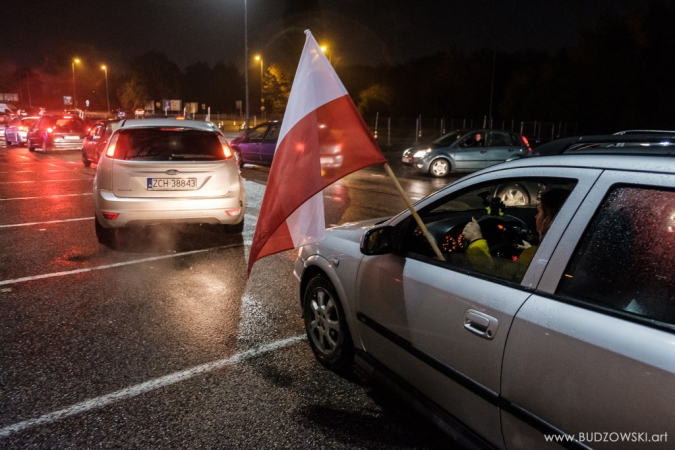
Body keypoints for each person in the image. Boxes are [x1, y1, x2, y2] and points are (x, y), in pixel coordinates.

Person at [462, 188, 570, 277]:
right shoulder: (565, 249)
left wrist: (476, 241)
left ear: (548, 219)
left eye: (539, 212)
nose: (536, 216)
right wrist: (532, 250)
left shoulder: (533, 257)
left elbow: (494, 277)